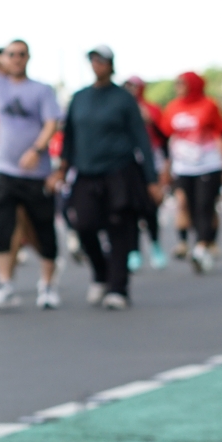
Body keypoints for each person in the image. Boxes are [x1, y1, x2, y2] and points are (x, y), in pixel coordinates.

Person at [58, 48, 160, 310]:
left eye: (102, 61)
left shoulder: (123, 99)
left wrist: (151, 179)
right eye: (93, 61)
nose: (97, 65)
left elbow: (141, 139)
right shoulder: (80, 98)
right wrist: (62, 169)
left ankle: (118, 288)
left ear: (110, 65)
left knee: (119, 230)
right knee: (83, 224)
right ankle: (101, 274)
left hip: (119, 172)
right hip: (86, 172)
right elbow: (69, 137)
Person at [0, 40, 61, 310]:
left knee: (43, 229)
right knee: (2, 227)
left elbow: (52, 123)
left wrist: (36, 149)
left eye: (21, 54)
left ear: (29, 58)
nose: (16, 59)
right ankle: (4, 283)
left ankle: (48, 286)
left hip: (36, 172)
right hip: (5, 171)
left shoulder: (41, 89)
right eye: (12, 55)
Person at [160, 72, 222, 273]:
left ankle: (201, 247)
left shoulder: (209, 105)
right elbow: (166, 136)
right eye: (177, 83)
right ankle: (196, 241)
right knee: (186, 205)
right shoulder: (172, 107)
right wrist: (166, 168)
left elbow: (220, 134)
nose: (178, 87)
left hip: (208, 164)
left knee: (204, 205)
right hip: (183, 167)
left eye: (182, 83)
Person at [123, 76, 168, 271]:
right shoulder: (119, 108)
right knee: (129, 208)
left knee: (150, 207)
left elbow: (164, 135)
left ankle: (155, 244)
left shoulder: (151, 109)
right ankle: (133, 250)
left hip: (150, 160)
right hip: (127, 162)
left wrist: (165, 169)